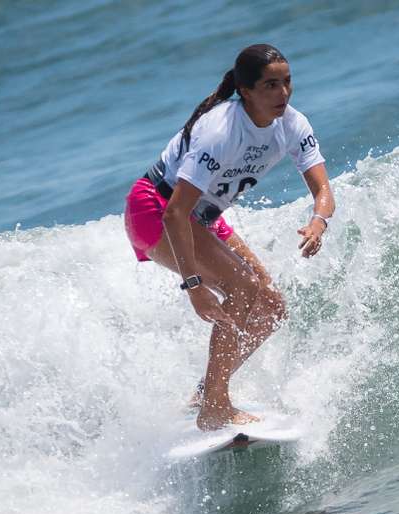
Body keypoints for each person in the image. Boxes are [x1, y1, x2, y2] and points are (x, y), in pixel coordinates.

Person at [123, 44, 335, 431]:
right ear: (246, 90)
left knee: (270, 307)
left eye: (287, 82)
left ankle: (207, 391)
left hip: (201, 217)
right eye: (271, 85)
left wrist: (319, 221)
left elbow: (323, 190)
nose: (283, 94)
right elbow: (175, 212)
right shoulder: (220, 130)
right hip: (157, 208)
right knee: (241, 286)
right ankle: (216, 407)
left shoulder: (292, 124)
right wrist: (194, 286)